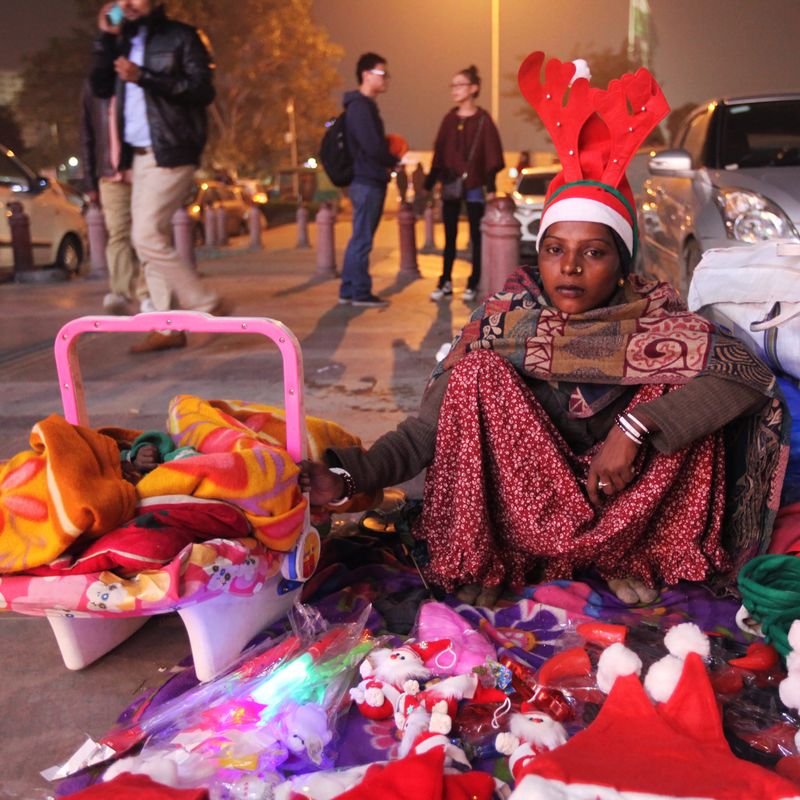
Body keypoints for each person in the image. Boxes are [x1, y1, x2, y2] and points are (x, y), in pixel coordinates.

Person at [301, 51, 787, 608]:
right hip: (526, 511)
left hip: (629, 508)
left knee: (686, 388)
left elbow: (745, 375)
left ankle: (633, 554)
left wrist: (635, 428)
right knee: (476, 374)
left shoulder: (658, 317)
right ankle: (498, 553)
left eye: (593, 252)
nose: (570, 268)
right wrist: (349, 475)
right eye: (555, 250)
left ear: (622, 263)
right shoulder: (508, 321)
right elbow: (424, 433)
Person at [90, 0, 221, 353]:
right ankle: (167, 327)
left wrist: (143, 76)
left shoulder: (182, 36)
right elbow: (100, 88)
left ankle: (202, 300)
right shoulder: (121, 41)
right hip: (140, 155)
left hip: (173, 149)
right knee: (150, 239)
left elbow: (202, 89)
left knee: (146, 233)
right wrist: (104, 38)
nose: (128, 4)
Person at [425, 65, 504, 303]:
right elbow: (439, 153)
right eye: (453, 85)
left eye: (460, 85)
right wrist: (428, 185)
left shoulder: (483, 120)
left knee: (476, 237)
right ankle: (445, 281)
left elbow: (491, 154)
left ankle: (474, 281)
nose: (455, 90)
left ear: (473, 88)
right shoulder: (449, 119)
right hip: (450, 185)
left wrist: (490, 188)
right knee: (449, 235)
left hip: (474, 186)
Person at [79, 79, 151, 315]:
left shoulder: (139, 77)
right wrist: (90, 181)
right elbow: (87, 136)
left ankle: (147, 295)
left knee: (146, 234)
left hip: (142, 168)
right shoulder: (93, 86)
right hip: (109, 175)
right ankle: (120, 293)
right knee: (118, 233)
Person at [339, 52, 403, 308]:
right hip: (366, 180)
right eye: (382, 73)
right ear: (366, 75)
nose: (387, 78)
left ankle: (348, 289)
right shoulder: (361, 108)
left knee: (359, 236)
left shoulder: (360, 107)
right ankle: (359, 292)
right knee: (363, 238)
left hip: (364, 180)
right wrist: (391, 158)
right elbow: (372, 146)